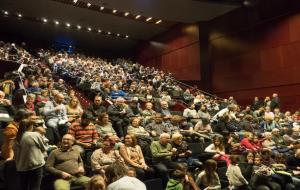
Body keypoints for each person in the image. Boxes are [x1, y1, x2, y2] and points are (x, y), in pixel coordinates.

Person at [14, 119, 47, 190]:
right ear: (31, 126)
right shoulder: (34, 135)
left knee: (23, 187)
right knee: (35, 188)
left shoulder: (16, 138)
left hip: (21, 168)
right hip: (35, 167)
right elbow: (44, 148)